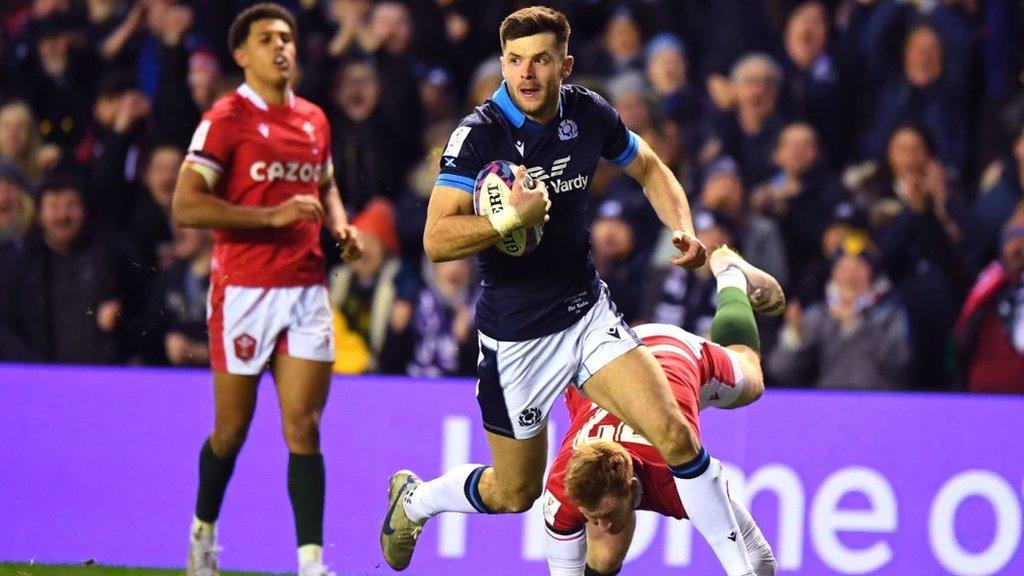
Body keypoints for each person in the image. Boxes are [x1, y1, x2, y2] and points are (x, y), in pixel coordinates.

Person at [380, 8, 784, 576]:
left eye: (541, 60)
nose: (526, 74)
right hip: (515, 340)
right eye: (515, 61)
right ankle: (416, 501)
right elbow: (435, 239)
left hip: (585, 314)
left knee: (673, 434)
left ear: (564, 65)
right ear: (502, 64)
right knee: (515, 491)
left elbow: (649, 167)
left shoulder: (587, 114)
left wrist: (682, 226)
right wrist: (506, 221)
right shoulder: (477, 136)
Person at [170, 5, 361, 576]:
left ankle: (311, 563)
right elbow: (186, 204)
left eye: (287, 38)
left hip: (305, 288)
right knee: (231, 430)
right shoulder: (225, 118)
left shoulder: (314, 120)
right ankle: (202, 535)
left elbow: (326, 186)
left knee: (303, 425)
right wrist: (272, 217)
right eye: (266, 39)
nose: (281, 47)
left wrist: (340, 226)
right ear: (242, 55)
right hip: (244, 288)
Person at [544, 247, 778, 576]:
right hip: (615, 362)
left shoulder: (680, 478)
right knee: (606, 550)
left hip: (676, 356)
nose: (599, 523)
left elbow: (759, 559)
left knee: (751, 375)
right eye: (591, 515)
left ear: (631, 485)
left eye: (605, 513)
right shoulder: (562, 489)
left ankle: (729, 274)